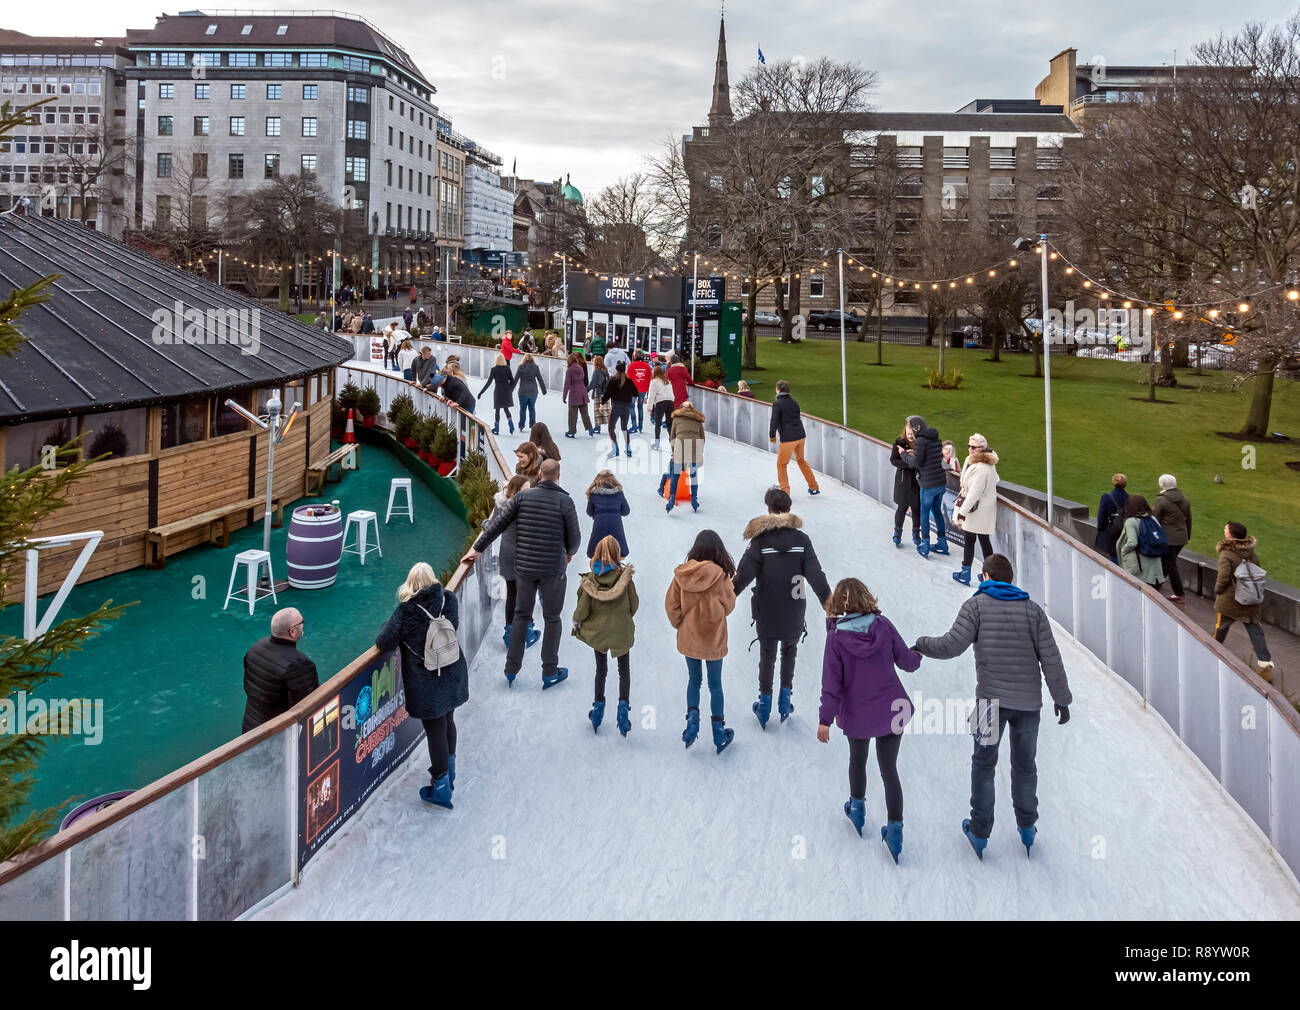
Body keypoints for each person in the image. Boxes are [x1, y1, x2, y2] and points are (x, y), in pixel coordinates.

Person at [912, 553, 1072, 859]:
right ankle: (1027, 827)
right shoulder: (1033, 611)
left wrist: (921, 644)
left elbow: (951, 645)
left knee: (984, 764)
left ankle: (980, 830)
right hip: (1028, 705)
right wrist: (1061, 698)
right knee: (1025, 767)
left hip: (989, 703)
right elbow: (1051, 658)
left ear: (986, 576)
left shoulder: (975, 605)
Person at [816, 578, 922, 861]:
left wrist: (825, 719)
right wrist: (919, 653)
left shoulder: (836, 638)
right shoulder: (883, 626)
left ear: (838, 604)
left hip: (857, 713)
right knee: (889, 769)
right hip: (891, 710)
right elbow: (907, 662)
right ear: (866, 598)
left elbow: (831, 683)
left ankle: (858, 808)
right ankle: (896, 830)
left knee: (858, 760)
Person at [463, 458, 581, 689]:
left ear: (538, 476)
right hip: (552, 570)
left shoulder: (523, 497)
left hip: (525, 568)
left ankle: (511, 669)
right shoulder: (565, 502)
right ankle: (549, 672)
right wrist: (568, 552)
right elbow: (575, 540)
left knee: (521, 616)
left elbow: (496, 525)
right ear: (558, 477)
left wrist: (476, 550)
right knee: (552, 619)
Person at [733, 486, 831, 728]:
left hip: (767, 608)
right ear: (788, 510)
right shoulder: (802, 540)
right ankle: (785, 702)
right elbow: (816, 574)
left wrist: (724, 598)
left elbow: (742, 576)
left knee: (767, 656)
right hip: (794, 608)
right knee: (790, 651)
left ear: (768, 510)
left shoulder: (759, 541)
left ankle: (764, 705)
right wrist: (830, 604)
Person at [374, 563, 468, 809]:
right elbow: (453, 626)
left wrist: (387, 624)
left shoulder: (407, 611)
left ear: (411, 584)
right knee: (448, 721)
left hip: (427, 683)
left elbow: (384, 642)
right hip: (453, 671)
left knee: (435, 729)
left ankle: (441, 786)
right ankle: (450, 772)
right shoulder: (448, 599)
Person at [665, 529, 738, 754]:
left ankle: (692, 721)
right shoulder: (722, 577)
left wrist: (682, 625)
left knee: (693, 680)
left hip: (690, 638)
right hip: (714, 638)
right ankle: (718, 731)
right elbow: (730, 606)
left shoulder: (682, 575)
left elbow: (671, 606)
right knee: (715, 684)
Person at [573, 534, 639, 737]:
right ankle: (622, 707)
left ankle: (599, 707)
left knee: (600, 670)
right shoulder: (625, 578)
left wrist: (577, 621)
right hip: (620, 631)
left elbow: (582, 609)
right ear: (617, 554)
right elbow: (634, 604)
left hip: (599, 633)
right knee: (623, 670)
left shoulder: (591, 580)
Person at [1213, 522, 1274, 681]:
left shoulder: (1226, 554)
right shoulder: (1250, 552)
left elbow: (1223, 578)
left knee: (1221, 627)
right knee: (1255, 631)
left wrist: (1218, 591)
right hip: (1251, 598)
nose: (1224, 530)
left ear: (1230, 534)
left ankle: (1211, 652)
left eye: (1226, 528)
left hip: (1231, 600)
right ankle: (1265, 665)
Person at [241, 608, 319, 732]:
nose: (303, 625)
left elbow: (248, 687)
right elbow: (306, 708)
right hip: (277, 736)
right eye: (302, 622)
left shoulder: (255, 648)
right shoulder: (299, 664)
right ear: (292, 631)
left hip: (250, 727)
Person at [489, 475, 540, 650]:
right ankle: (526, 632)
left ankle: (510, 634)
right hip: (524, 554)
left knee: (512, 593)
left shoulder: (502, 503)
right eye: (526, 489)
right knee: (525, 594)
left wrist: (484, 523)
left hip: (507, 553)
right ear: (517, 491)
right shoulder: (526, 508)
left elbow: (492, 526)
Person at [951, 434, 1000, 586]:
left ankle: (970, 573)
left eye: (973, 447)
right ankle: (989, 575)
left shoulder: (982, 468)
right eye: (969, 446)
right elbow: (996, 479)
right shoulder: (982, 463)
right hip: (980, 509)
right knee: (981, 540)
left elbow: (973, 494)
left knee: (972, 540)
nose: (970, 450)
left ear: (982, 449)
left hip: (976, 509)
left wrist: (961, 512)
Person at [903, 415, 948, 558]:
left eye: (910, 427)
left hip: (928, 484)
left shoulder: (921, 441)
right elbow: (928, 457)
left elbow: (915, 462)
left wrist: (903, 454)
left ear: (916, 428)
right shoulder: (935, 438)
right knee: (937, 511)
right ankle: (942, 543)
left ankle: (925, 545)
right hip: (940, 482)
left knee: (924, 513)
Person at [768, 380, 821, 497]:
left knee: (781, 465)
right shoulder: (794, 402)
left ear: (778, 390)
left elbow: (774, 421)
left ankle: (785, 493)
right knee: (801, 461)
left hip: (788, 439)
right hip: (801, 436)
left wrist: (772, 435)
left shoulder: (777, 404)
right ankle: (814, 487)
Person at [659, 399, 706, 513]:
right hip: (694, 445)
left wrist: (675, 452)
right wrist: (699, 451)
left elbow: (673, 437)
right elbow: (702, 438)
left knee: (675, 474)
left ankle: (672, 497)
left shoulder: (676, 418)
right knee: (693, 475)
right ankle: (694, 499)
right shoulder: (697, 419)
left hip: (680, 445)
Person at [1152, 474, 1192, 603]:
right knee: (1167, 563)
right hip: (1181, 537)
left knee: (1170, 564)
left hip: (1168, 538)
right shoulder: (1185, 500)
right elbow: (1188, 521)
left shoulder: (1161, 500)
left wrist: (1153, 538)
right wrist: (1187, 536)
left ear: (1162, 485)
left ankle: (1179, 593)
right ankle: (1155, 586)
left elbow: (1155, 521)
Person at [1116, 494, 1165, 588]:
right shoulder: (1153, 519)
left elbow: (1132, 542)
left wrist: (1123, 550)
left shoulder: (1131, 521)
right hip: (1156, 570)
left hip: (1140, 569)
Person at [585, 468, 630, 560]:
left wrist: (597, 514)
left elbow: (589, 512)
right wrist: (616, 512)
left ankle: (597, 571)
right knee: (622, 552)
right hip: (616, 528)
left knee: (593, 552)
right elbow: (626, 511)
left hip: (599, 527)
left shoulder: (594, 494)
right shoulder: (619, 493)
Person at [889, 420, 921, 549]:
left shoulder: (921, 444)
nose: (910, 436)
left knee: (916, 508)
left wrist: (914, 460)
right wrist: (908, 463)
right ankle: (897, 533)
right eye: (908, 433)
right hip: (903, 480)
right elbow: (893, 460)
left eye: (912, 434)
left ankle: (916, 534)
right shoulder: (899, 442)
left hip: (917, 481)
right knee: (902, 507)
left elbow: (923, 460)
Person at [602, 360, 637, 459]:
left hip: (616, 406)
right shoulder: (629, 381)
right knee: (624, 428)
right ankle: (628, 448)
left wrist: (602, 404)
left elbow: (607, 393)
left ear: (616, 370)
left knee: (611, 428)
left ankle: (615, 448)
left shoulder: (613, 380)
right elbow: (635, 393)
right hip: (626, 407)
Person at [478, 352, 516, 435]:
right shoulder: (508, 369)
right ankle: (511, 425)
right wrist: (510, 390)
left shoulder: (494, 369)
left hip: (498, 391)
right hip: (506, 390)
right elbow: (513, 382)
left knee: (497, 410)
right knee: (506, 408)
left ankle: (496, 428)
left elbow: (488, 382)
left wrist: (481, 392)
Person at [1095, 473, 1129, 561]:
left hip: (1110, 530)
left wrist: (1100, 529)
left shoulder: (1107, 497)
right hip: (1124, 530)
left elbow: (1101, 516)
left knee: (1113, 558)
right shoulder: (1129, 498)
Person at [562, 352, 594, 438]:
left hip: (574, 393)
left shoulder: (570, 370)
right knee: (584, 413)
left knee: (572, 413)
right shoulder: (580, 368)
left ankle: (571, 431)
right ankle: (590, 428)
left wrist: (564, 396)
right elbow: (584, 379)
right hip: (583, 391)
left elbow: (567, 384)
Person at [512, 352, 547, 430]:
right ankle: (532, 425)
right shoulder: (535, 367)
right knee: (532, 408)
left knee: (523, 409)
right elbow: (540, 379)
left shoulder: (520, 367)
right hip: (533, 391)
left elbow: (515, 379)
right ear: (532, 359)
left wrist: (510, 391)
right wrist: (544, 390)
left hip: (522, 391)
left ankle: (521, 425)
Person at [646, 364, 675, 451]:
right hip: (670, 402)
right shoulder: (667, 381)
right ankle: (672, 443)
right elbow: (672, 393)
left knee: (658, 423)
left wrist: (649, 407)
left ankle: (657, 443)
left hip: (660, 402)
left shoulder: (654, 381)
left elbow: (651, 395)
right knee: (670, 423)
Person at [627, 351, 652, 432]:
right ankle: (640, 425)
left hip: (633, 389)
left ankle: (634, 425)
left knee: (631, 406)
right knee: (640, 407)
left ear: (635, 356)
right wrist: (648, 389)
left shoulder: (631, 365)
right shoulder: (647, 365)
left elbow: (628, 379)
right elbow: (649, 378)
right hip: (643, 389)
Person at [588, 355, 610, 434]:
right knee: (605, 411)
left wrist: (587, 390)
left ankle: (597, 427)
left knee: (597, 410)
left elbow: (593, 383)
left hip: (599, 393)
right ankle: (602, 427)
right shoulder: (605, 370)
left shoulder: (597, 371)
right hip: (606, 393)